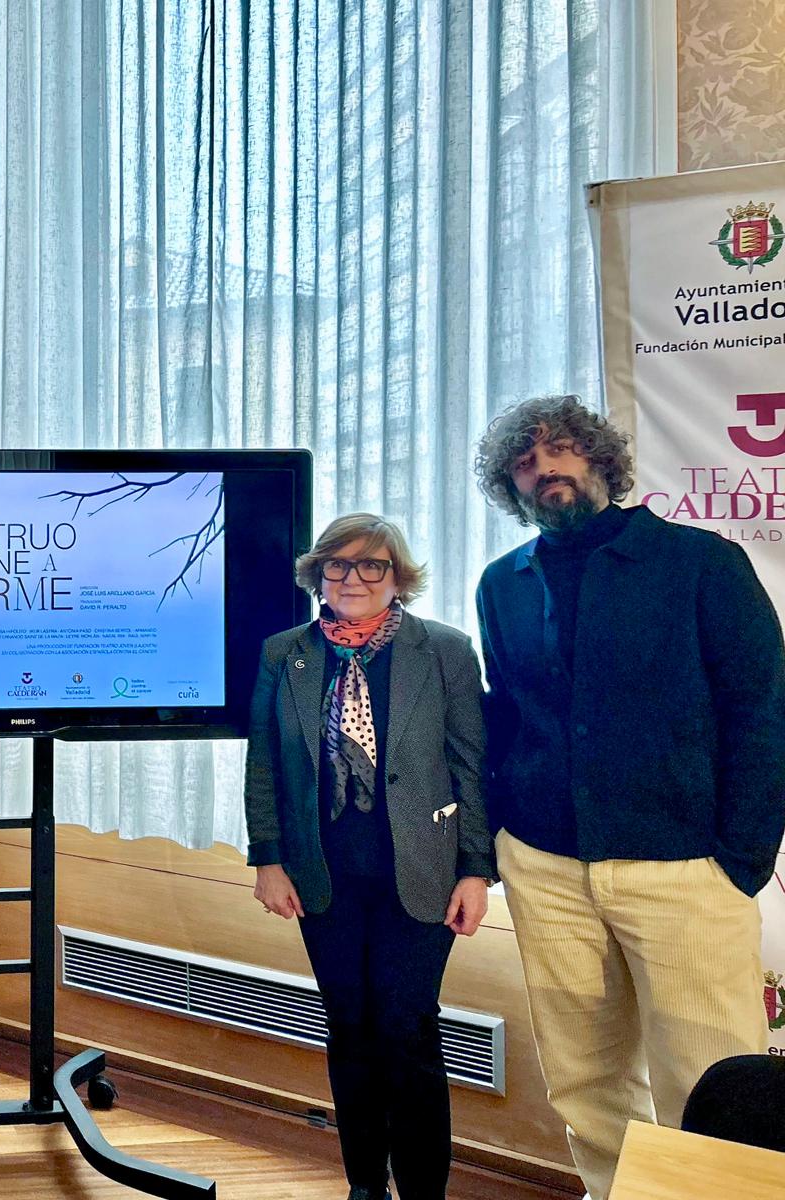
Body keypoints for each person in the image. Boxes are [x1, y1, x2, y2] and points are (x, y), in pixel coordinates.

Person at [473, 394, 785, 1200]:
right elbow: (505, 714)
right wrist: (500, 839)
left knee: (711, 1079)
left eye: (562, 449)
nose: (546, 469)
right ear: (510, 487)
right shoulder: (501, 585)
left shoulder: (702, 564)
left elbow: (762, 712)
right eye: (525, 462)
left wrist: (742, 859)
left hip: (685, 868)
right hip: (545, 866)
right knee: (584, 1081)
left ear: (601, 459)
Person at [245, 513, 495, 1200]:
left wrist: (476, 869)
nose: (353, 578)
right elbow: (265, 764)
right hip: (322, 877)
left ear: (398, 575)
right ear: (318, 573)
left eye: (371, 565)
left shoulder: (442, 650)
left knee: (407, 1030)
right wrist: (268, 860)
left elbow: (472, 766)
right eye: (338, 563)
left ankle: (422, 1191)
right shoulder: (285, 654)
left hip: (421, 874)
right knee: (349, 1027)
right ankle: (364, 1184)